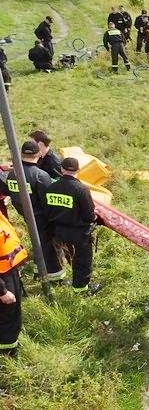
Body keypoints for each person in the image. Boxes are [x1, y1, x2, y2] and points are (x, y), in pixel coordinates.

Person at [0, 141, 64, 283]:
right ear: (39, 154)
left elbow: (7, 191)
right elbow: (48, 201)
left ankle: (38, 270)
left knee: (37, 242)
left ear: (21, 154)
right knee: (49, 246)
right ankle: (55, 277)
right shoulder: (41, 175)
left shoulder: (12, 174)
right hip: (42, 217)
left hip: (26, 215)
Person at [45, 157, 100, 295]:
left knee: (68, 256)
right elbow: (89, 215)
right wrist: (95, 218)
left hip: (58, 232)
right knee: (82, 261)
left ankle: (62, 279)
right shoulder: (81, 189)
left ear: (61, 169)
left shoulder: (51, 188)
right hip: (79, 234)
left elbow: (48, 210)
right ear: (78, 170)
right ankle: (81, 290)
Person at [0, 210, 29, 357]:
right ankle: (8, 353)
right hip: (2, 278)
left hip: (8, 269)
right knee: (8, 315)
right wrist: (2, 292)